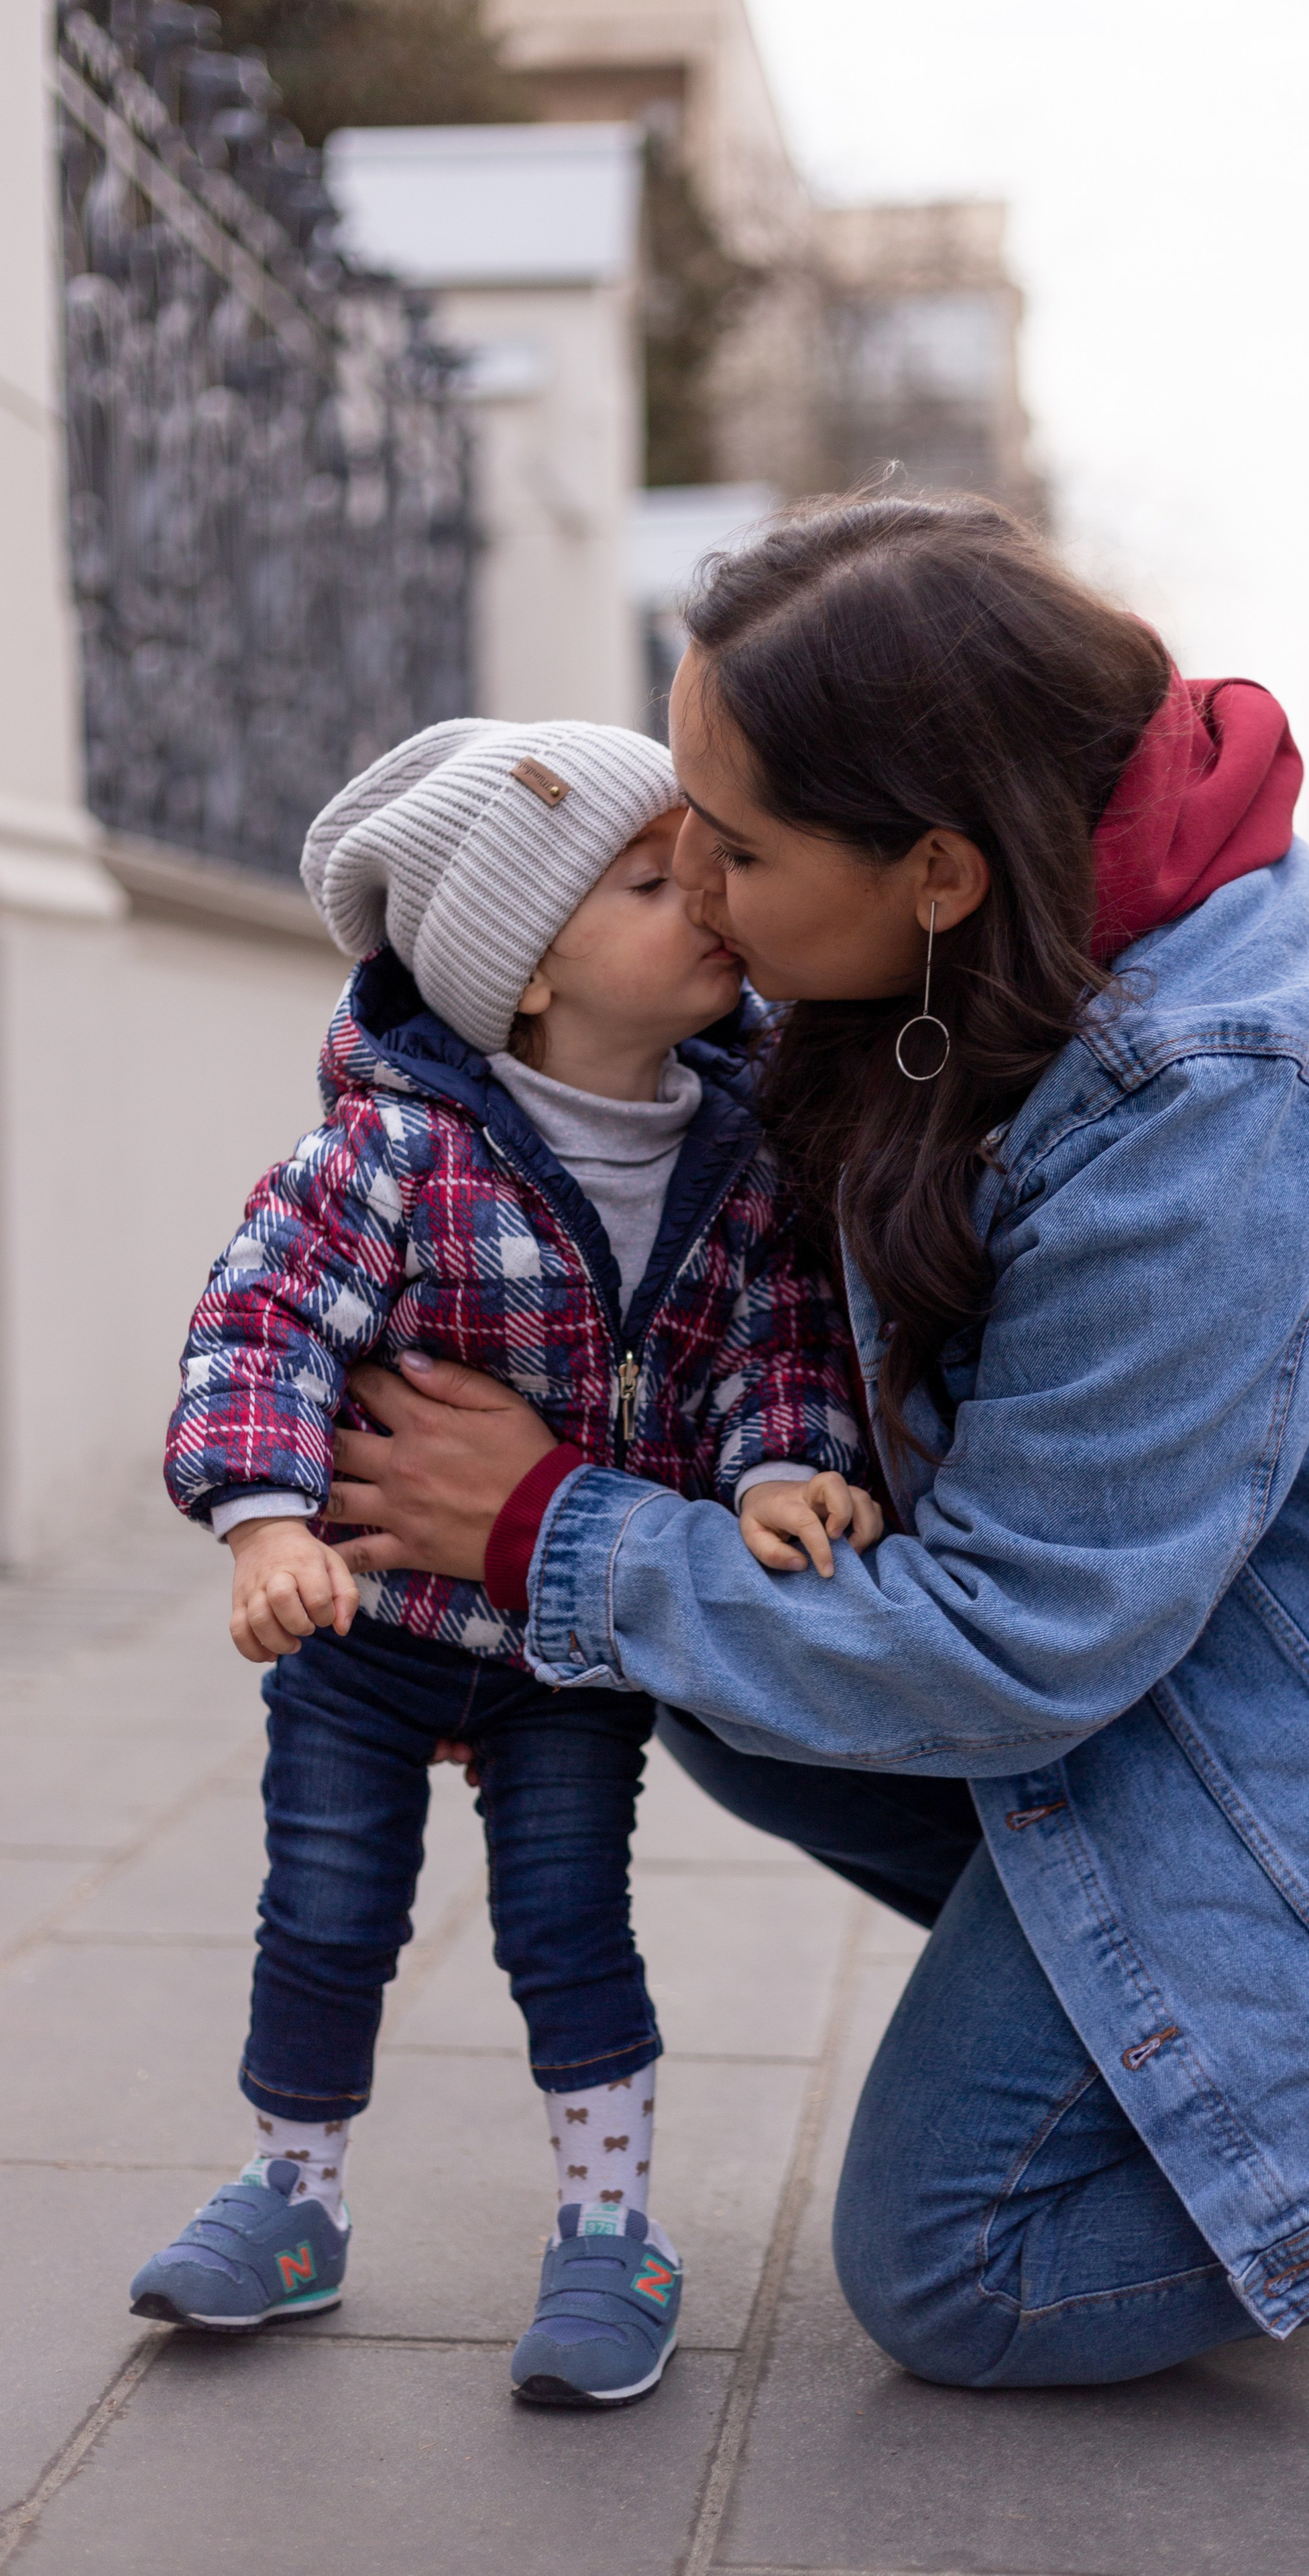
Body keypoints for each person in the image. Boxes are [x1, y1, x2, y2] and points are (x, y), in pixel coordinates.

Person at [320, 497, 1309, 2397]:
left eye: (732, 848)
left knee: (960, 2263)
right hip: (1285, 1637)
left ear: (942, 872)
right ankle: (1257, 2070)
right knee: (743, 1665)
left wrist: (549, 1534)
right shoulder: (999, 945)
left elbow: (1017, 1644)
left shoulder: (1227, 1087)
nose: (699, 891)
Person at [127, 716, 879, 2408]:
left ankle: (611, 2232)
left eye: (705, 864)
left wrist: (779, 1469)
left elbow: (781, 1338)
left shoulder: (737, 1151)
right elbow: (260, 1329)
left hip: (565, 1631)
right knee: (326, 1909)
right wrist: (260, 1525)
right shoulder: (390, 1153)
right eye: (648, 880)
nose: (705, 895)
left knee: (567, 1918)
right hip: (368, 1618)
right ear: (527, 974)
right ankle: (292, 2198)